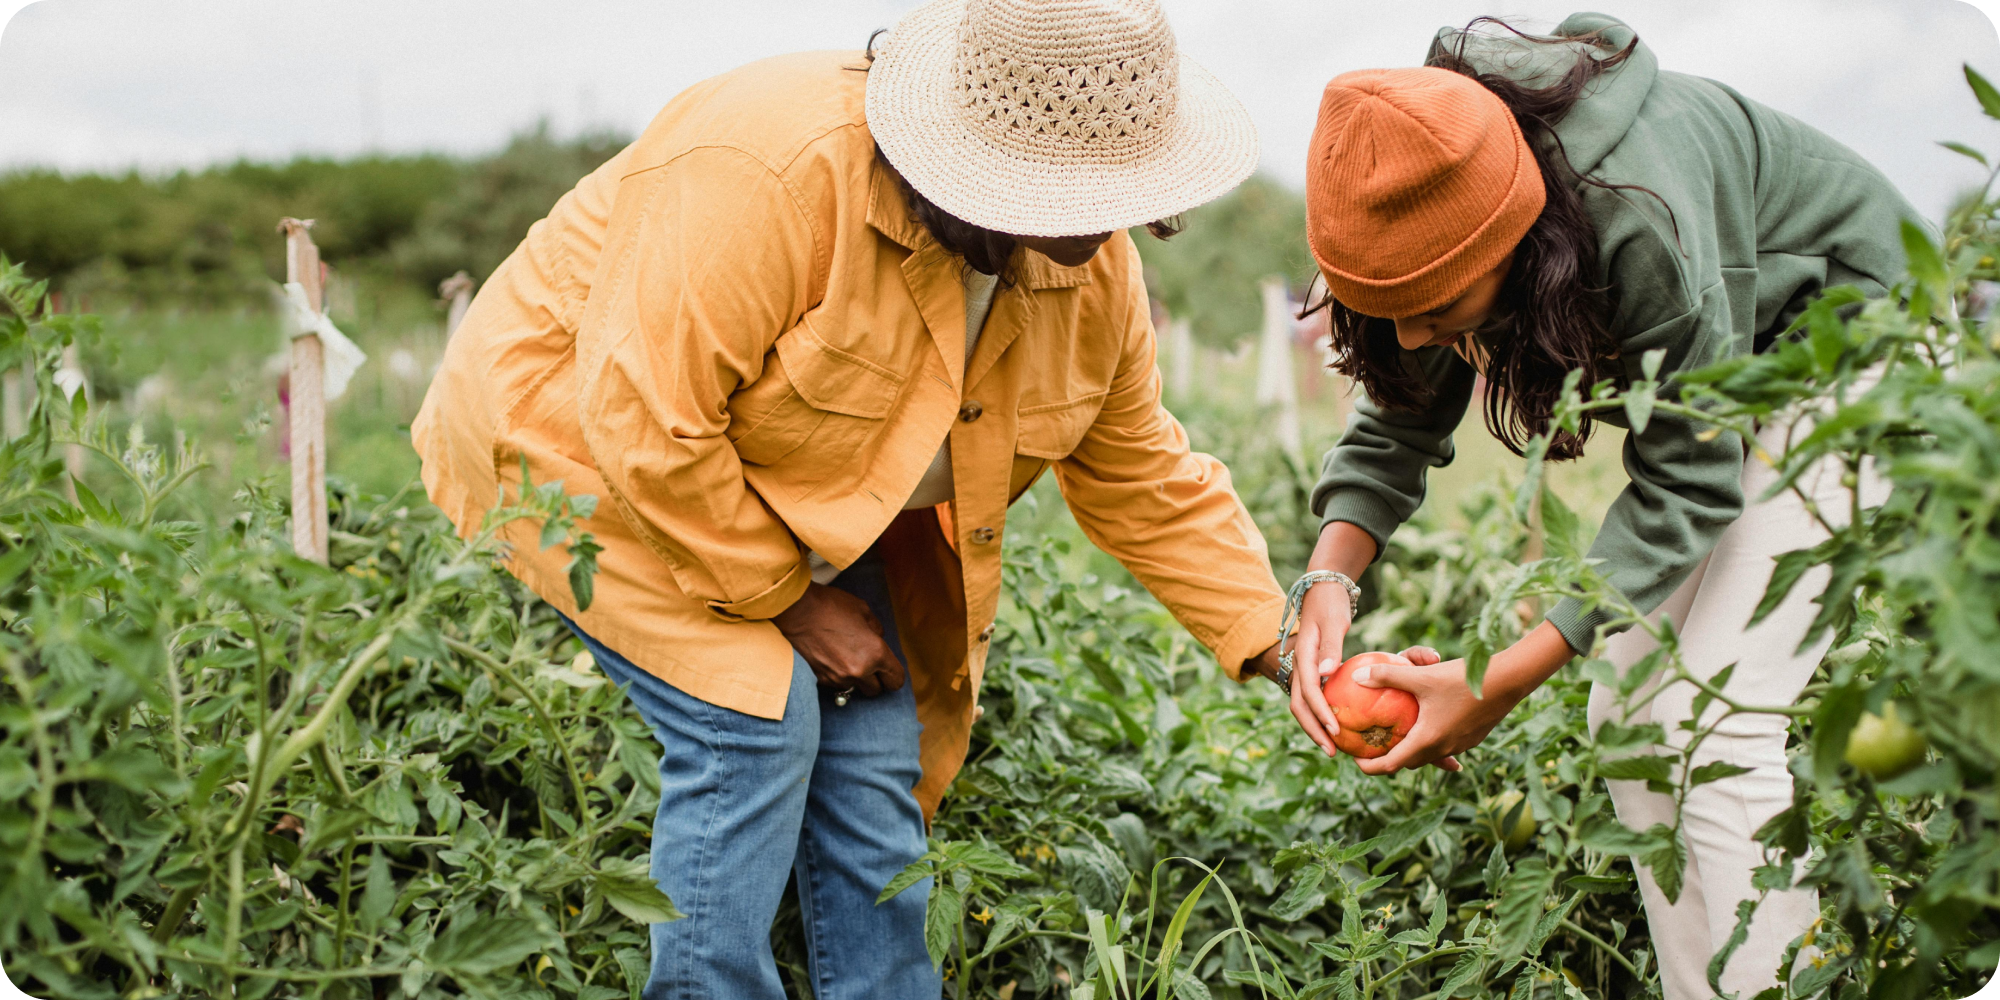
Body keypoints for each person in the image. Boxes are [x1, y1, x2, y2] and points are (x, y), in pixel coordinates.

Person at [411, 0, 1290, 996]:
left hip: (792, 481)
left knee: (876, 752)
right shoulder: (773, 175)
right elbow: (646, 419)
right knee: (752, 720)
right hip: (583, 444)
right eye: (1069, 197)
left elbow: (1138, 468)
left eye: (1120, 195)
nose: (1101, 235)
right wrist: (792, 602)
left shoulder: (1090, 267)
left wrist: (1276, 637)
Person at [1279, 14, 1913, 1000]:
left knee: (1713, 718)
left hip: (1860, 351)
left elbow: (1686, 480)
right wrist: (1327, 578)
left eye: (1437, 306)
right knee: (1625, 709)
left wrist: (1489, 682)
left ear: (1517, 243)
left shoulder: (1635, 213)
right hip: (1743, 386)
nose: (1409, 330)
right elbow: (1398, 419)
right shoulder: (1422, 181)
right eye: (1387, 304)